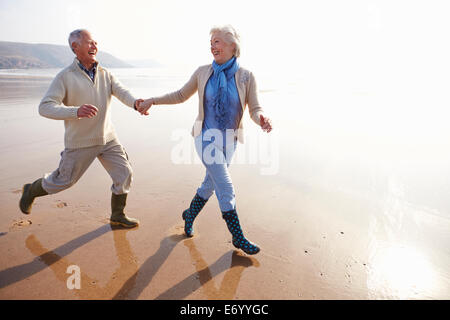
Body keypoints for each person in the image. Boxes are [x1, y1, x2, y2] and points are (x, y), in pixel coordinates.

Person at [137, 25, 273, 254]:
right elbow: (180, 95)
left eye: (217, 41)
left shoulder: (246, 76)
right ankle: (238, 237)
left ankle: (189, 216)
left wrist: (261, 119)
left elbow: (254, 108)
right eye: (211, 42)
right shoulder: (202, 73)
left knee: (210, 185)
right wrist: (152, 100)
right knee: (225, 187)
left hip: (229, 141)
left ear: (233, 46)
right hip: (205, 138)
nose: (212, 46)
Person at [19, 29, 144, 228]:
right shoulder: (65, 76)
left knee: (124, 172)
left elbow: (122, 92)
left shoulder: (105, 73)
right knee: (63, 181)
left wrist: (136, 103)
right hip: (81, 141)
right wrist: (75, 111)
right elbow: (45, 107)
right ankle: (31, 190)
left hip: (108, 138)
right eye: (89, 43)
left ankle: (117, 214)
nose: (94, 46)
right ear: (75, 47)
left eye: (95, 42)